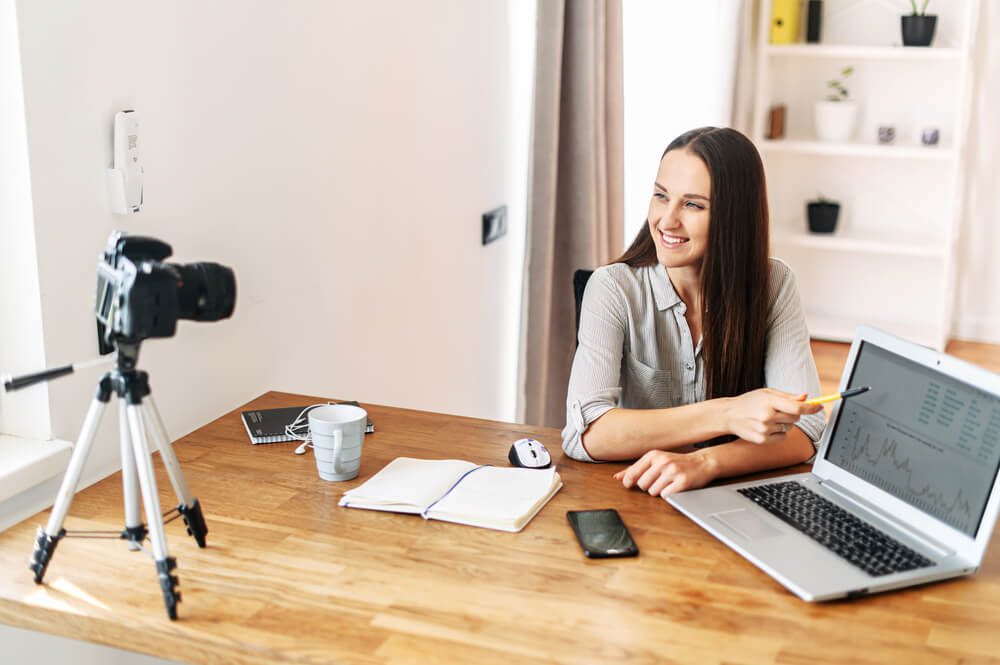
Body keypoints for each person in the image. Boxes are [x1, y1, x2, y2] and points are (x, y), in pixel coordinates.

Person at [561, 126, 826, 500]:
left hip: (731, 496)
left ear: (735, 217)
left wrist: (706, 463)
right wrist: (726, 414)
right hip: (635, 495)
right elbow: (585, 435)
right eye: (660, 196)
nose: (667, 221)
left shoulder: (774, 284)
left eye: (693, 205)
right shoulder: (612, 288)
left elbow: (808, 428)